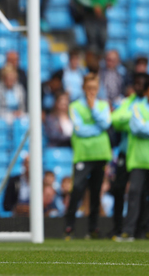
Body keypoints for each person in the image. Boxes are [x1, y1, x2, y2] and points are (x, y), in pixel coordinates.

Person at [64, 72, 112, 240]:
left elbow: (106, 123)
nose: (92, 91)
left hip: (100, 153)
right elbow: (79, 130)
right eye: (89, 87)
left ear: (98, 89)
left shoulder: (103, 105)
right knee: (77, 189)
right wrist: (97, 129)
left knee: (96, 191)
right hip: (83, 154)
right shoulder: (75, 106)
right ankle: (69, 226)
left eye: (94, 88)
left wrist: (93, 110)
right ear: (83, 88)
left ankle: (93, 227)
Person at [110, 73, 147, 238]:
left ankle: (142, 230)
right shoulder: (131, 103)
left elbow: (139, 127)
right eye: (136, 83)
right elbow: (116, 119)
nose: (137, 87)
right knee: (127, 191)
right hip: (133, 155)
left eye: (141, 84)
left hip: (140, 156)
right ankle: (124, 229)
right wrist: (134, 122)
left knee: (141, 194)